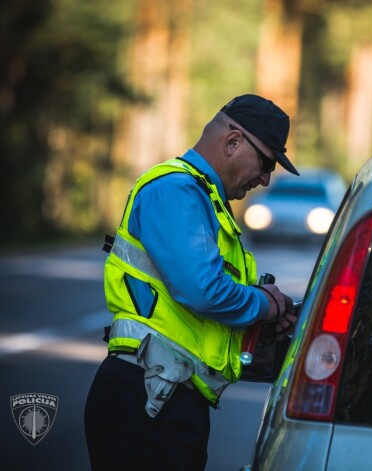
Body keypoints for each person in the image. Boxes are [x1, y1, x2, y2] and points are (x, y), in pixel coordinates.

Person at [84, 94, 299, 470]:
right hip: (146, 399)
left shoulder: (205, 199)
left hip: (165, 398)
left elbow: (199, 323)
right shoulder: (176, 190)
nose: (266, 178)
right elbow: (203, 290)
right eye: (266, 162)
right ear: (233, 142)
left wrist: (263, 325)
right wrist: (266, 304)